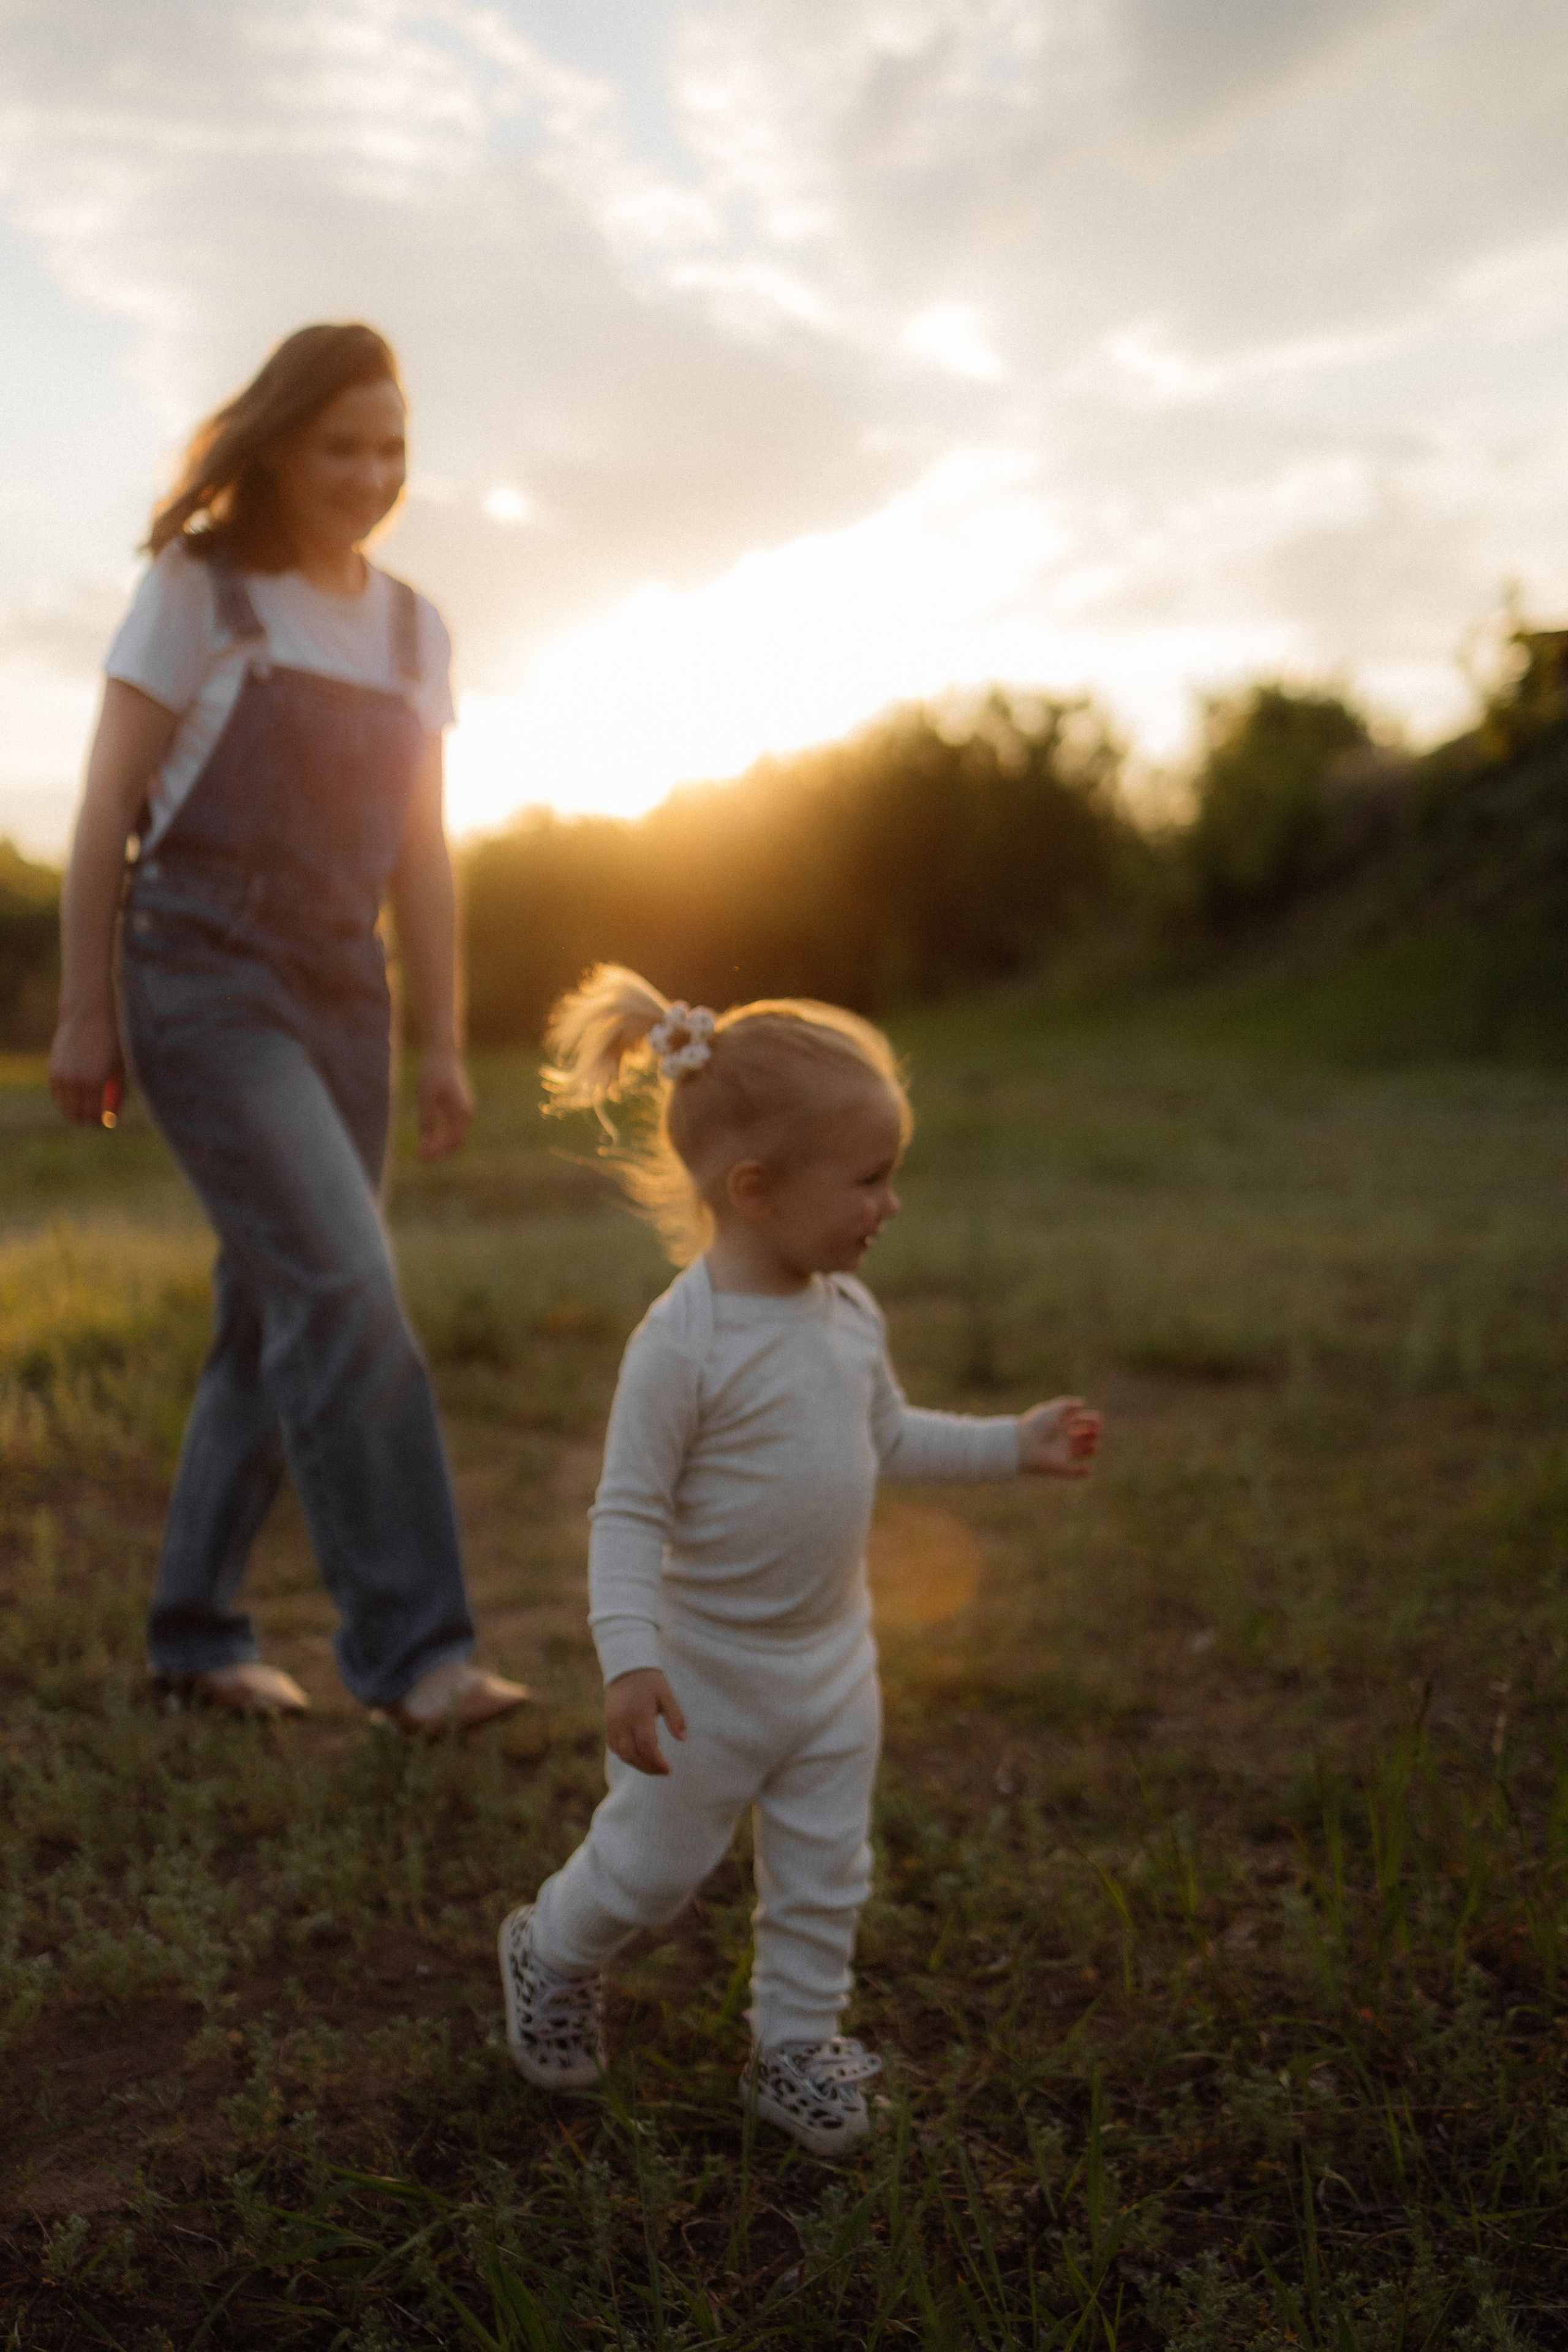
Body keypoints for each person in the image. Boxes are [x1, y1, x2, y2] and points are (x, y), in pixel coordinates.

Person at [495, 965, 1101, 2155]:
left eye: (892, 1175)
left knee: (828, 1870)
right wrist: (630, 1659)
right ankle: (550, 1950)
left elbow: (889, 1437)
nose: (890, 1204)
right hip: (706, 1678)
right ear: (755, 1190)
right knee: (650, 1875)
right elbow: (627, 1514)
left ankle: (796, 2050)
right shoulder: (683, 1345)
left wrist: (1011, 1446)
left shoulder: (848, 1314)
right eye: (868, 1180)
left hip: (832, 1664)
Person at [47, 322, 528, 1734]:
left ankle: (195, 1636)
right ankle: (420, 1655)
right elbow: (104, 806)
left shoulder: (414, 629)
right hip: (199, 971)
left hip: (343, 988)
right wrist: (84, 1009)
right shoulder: (198, 590)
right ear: (273, 446)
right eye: (341, 447)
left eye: (392, 449)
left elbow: (422, 854)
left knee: (277, 1305)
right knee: (342, 1283)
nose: (371, 475)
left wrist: (443, 1038)